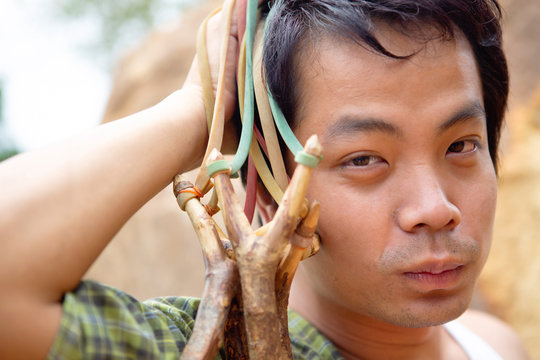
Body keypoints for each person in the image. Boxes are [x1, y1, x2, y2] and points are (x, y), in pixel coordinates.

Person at [0, 0, 530, 359]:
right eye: (364, 159)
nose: (435, 208)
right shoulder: (209, 348)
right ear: (270, 179)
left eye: (461, 145)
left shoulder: (493, 345)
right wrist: (196, 111)